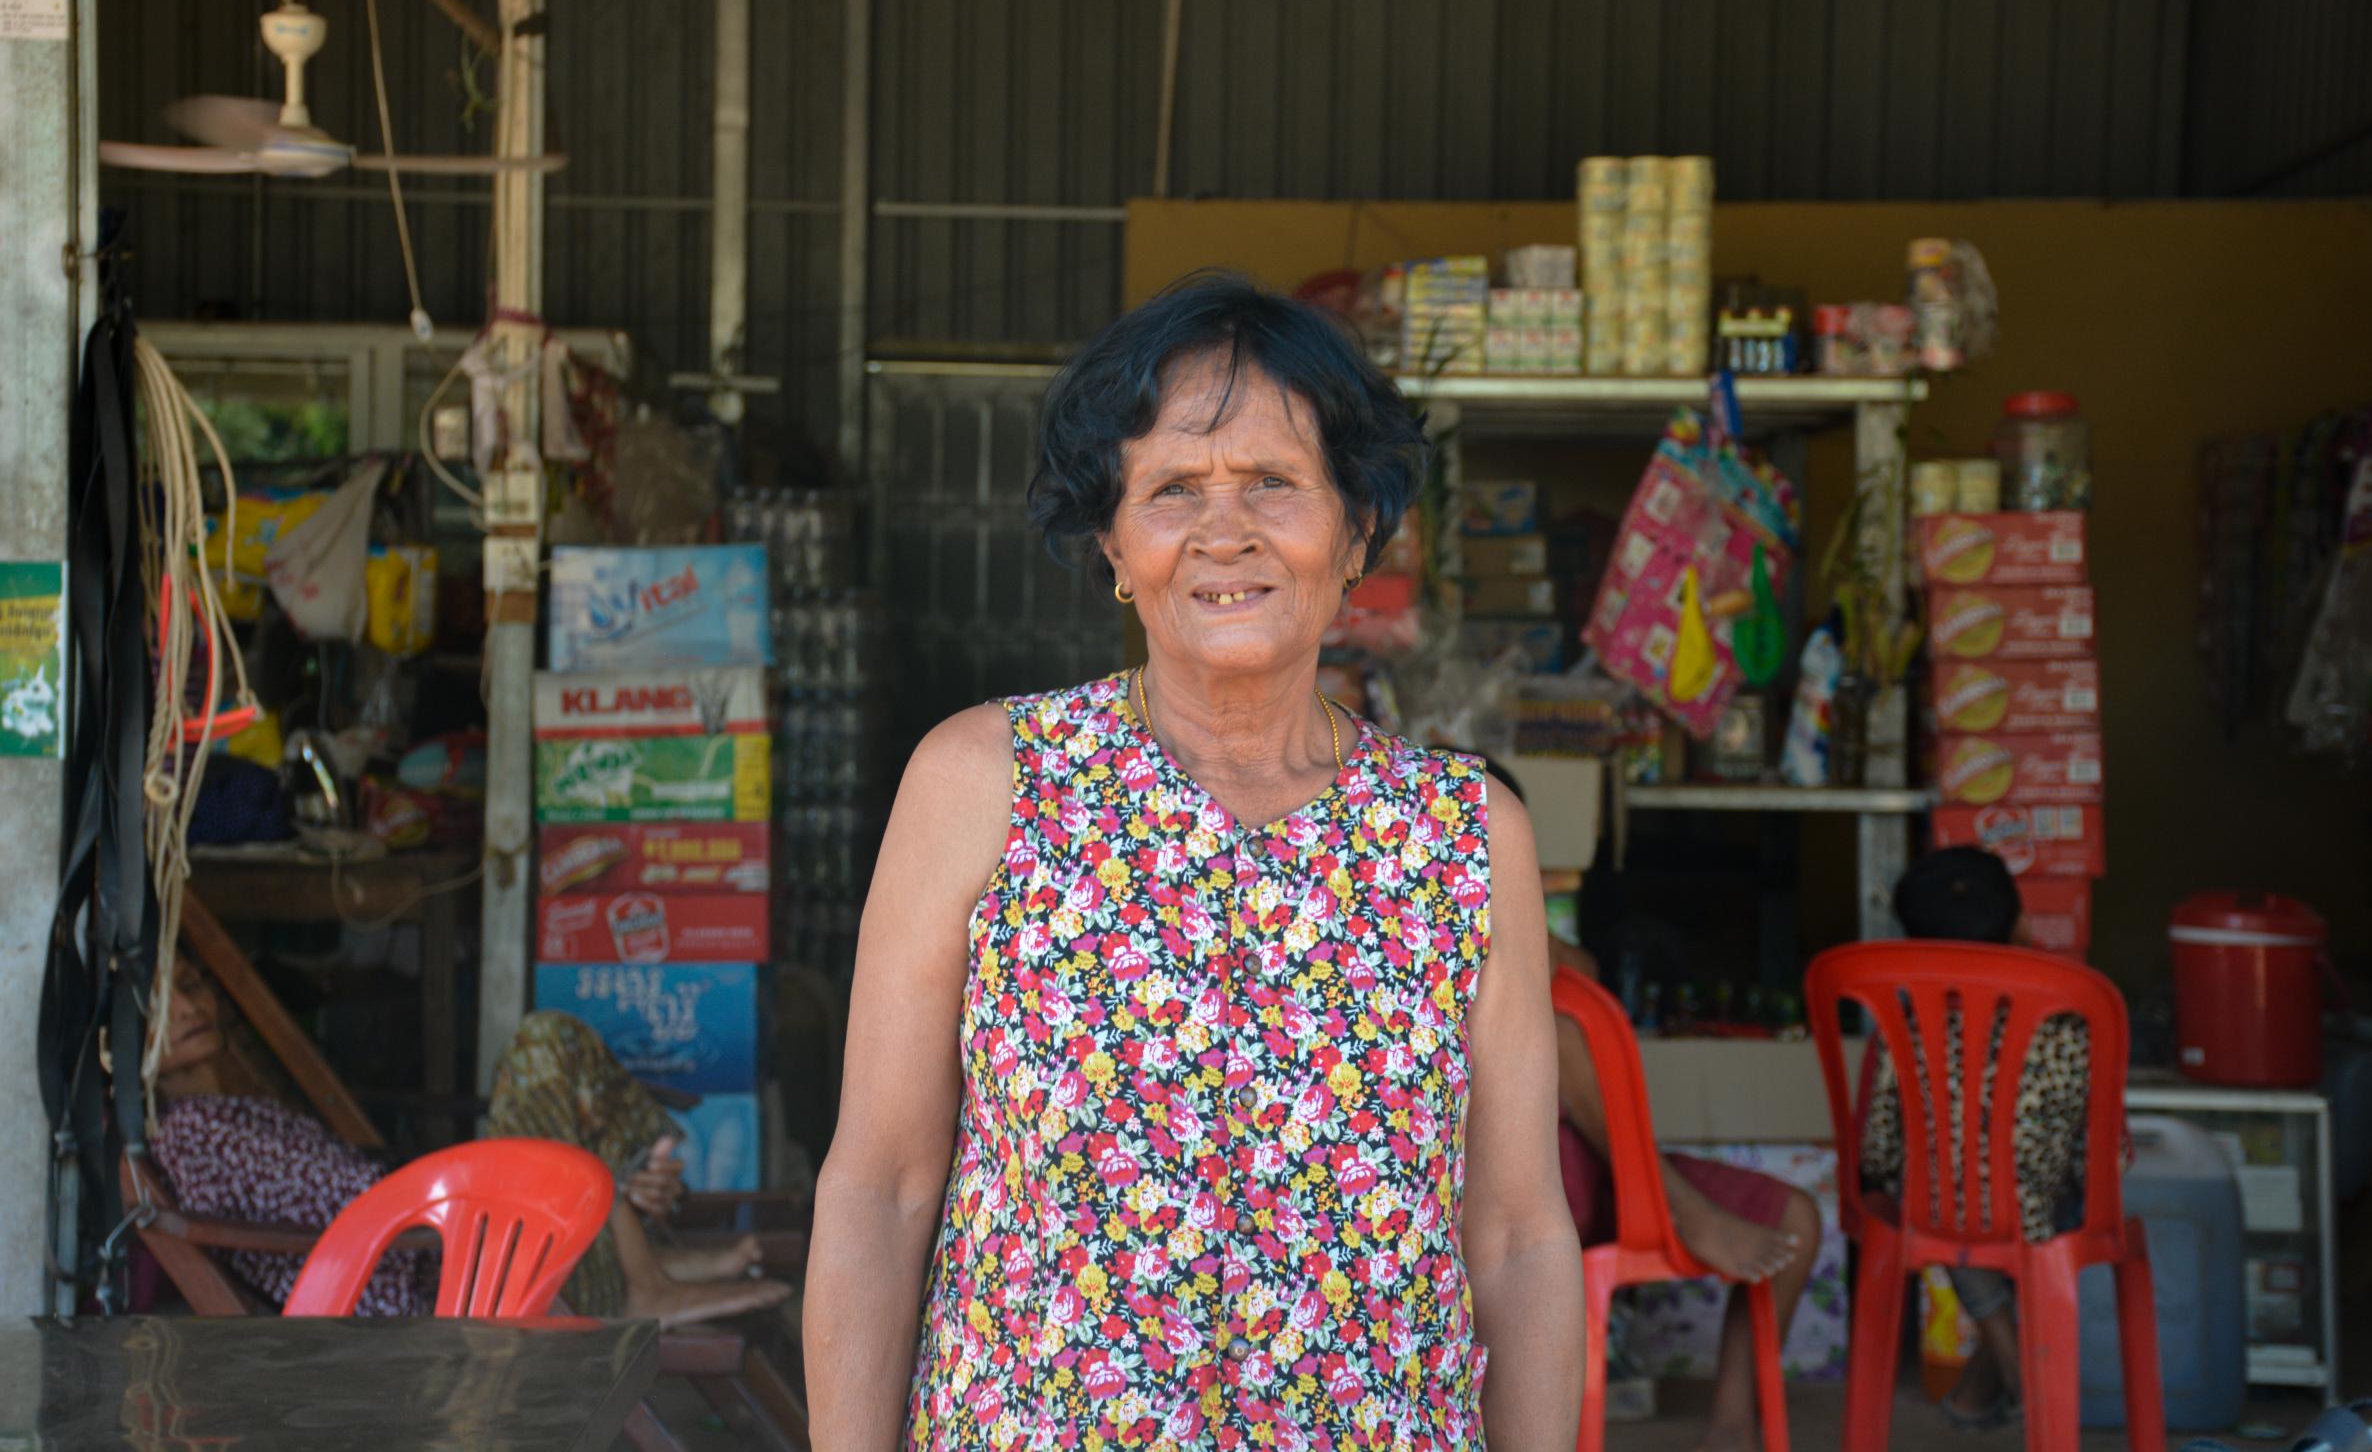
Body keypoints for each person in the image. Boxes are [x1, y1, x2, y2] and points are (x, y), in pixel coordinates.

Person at [803, 275, 1583, 1451]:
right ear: (1116, 542)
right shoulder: (985, 784)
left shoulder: (1463, 836)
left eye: (1273, 481)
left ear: (1356, 527)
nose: (1227, 531)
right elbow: (880, 1189)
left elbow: (1520, 1234)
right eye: (1174, 489)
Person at [145, 952, 792, 1324]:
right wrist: (483, 1183)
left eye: (191, 982)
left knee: (555, 1060)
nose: (186, 1006)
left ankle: (642, 1254)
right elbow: (362, 1212)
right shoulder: (197, 1134)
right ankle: (643, 1260)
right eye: (158, 999)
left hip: (491, 1270)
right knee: (544, 1047)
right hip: (473, 1295)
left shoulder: (235, 1109)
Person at [1500, 762, 1820, 1452]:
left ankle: (1731, 1426)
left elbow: (1584, 974)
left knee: (1797, 1220)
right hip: (1515, 1196)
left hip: (1610, 1171)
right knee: (1562, 1036)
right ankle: (1684, 1208)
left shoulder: (1536, 942)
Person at [1857, 847, 2107, 1432]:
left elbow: (1879, 1151)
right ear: (2020, 923)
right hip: (2048, 1207)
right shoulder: (2074, 1013)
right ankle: (2016, 1384)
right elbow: (2100, 1156)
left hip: (1939, 1206)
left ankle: (2003, 1380)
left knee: (1943, 1194)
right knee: (2006, 1202)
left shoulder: (1906, 1021)